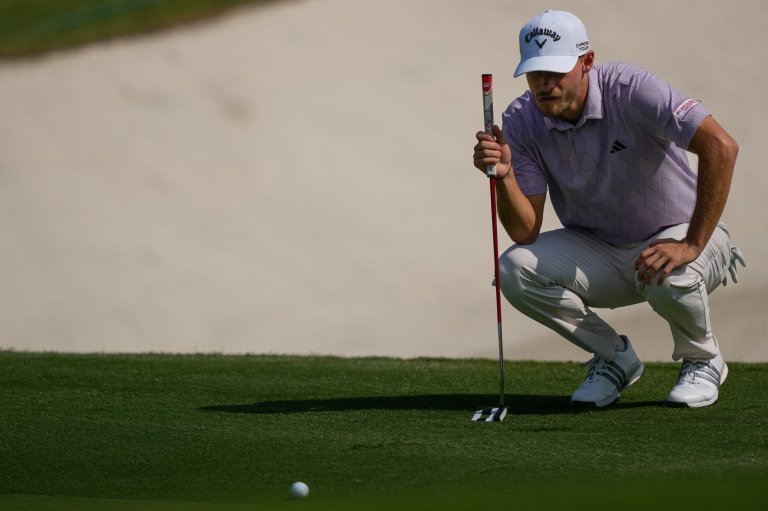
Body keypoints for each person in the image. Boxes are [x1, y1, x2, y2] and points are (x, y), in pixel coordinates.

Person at [473, 10, 745, 408]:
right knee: (514, 269)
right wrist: (506, 176)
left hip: (684, 236)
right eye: (535, 73)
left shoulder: (631, 89)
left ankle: (703, 359)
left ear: (587, 61)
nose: (545, 85)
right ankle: (615, 359)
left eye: (556, 72)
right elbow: (525, 230)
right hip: (600, 250)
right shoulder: (521, 119)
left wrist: (690, 243)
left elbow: (721, 147)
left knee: (668, 270)